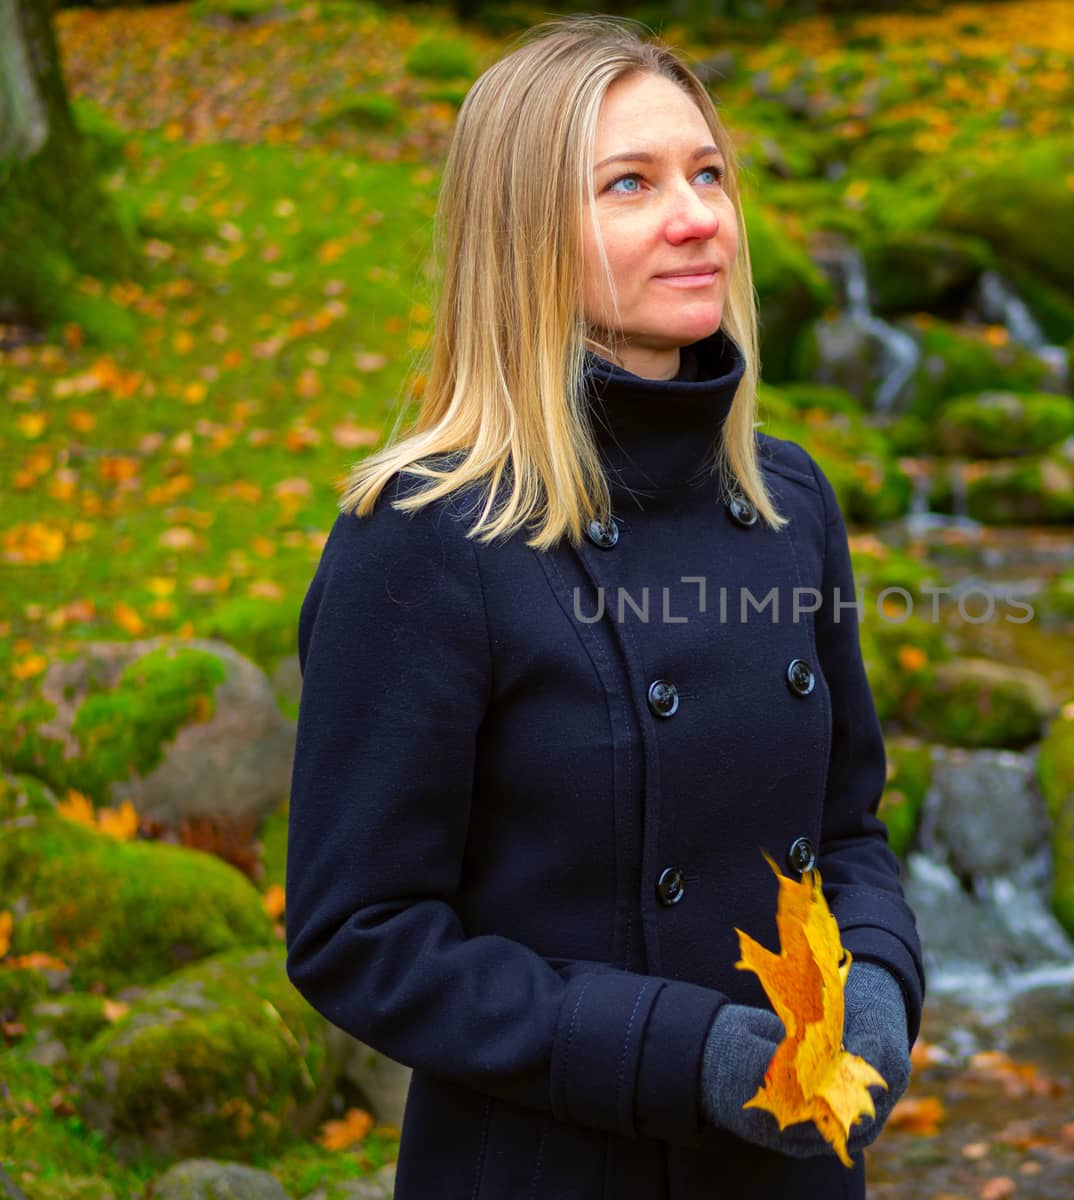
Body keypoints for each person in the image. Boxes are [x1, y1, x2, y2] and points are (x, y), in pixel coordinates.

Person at [283, 14, 925, 1199]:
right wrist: (681, 1053)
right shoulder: (424, 538)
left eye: (707, 174)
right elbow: (358, 936)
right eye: (628, 184)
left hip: (795, 1162)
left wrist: (879, 985)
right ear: (520, 234)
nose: (698, 219)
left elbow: (847, 832)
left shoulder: (785, 498)